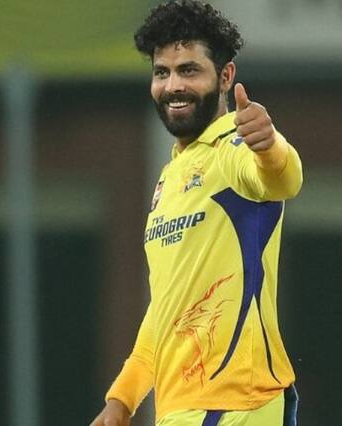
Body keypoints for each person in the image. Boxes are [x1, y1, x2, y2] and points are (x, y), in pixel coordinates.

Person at [90, 1, 302, 425]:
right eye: (162, 73)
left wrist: (270, 145)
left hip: (234, 404)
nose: (173, 86)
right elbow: (166, 310)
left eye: (189, 70)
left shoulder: (234, 148)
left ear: (225, 76)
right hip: (187, 408)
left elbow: (283, 179)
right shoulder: (171, 177)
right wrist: (122, 400)